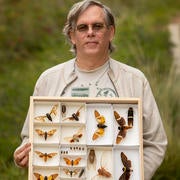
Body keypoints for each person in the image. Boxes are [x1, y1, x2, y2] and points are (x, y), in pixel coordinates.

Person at [14, 0, 167, 179]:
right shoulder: (48, 79)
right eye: (82, 28)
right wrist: (23, 155)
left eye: (98, 26)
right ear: (72, 36)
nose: (90, 33)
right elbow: (29, 138)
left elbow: (155, 143)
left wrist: (134, 175)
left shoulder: (135, 80)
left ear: (111, 32)